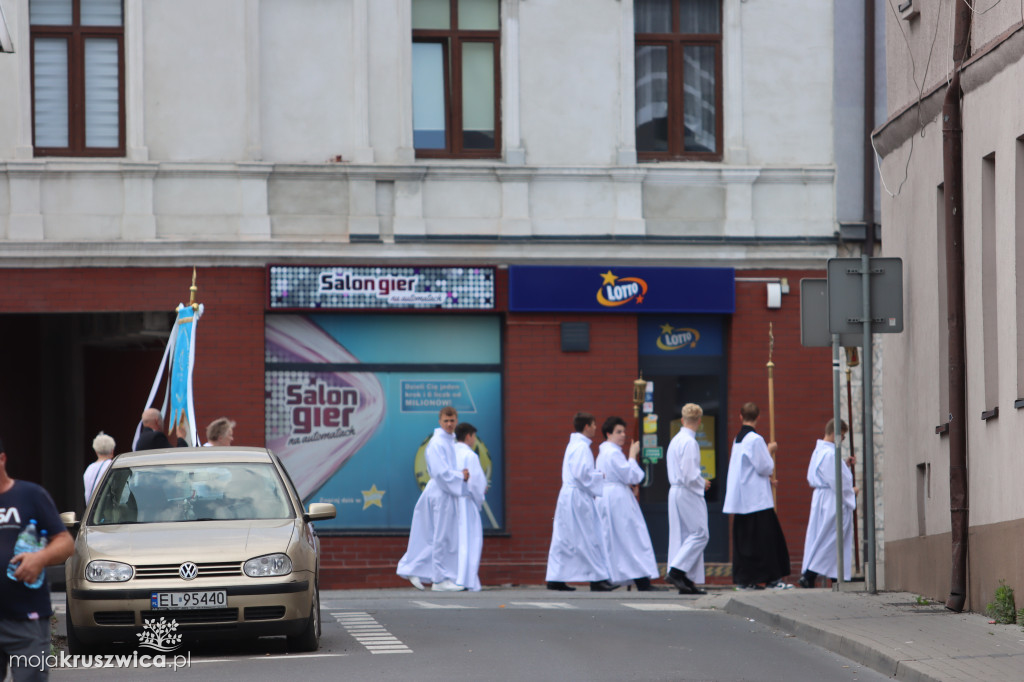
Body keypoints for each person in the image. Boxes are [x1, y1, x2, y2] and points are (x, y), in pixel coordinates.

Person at [0, 436, 75, 681]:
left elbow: (66, 543)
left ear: (2, 459)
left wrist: (39, 558)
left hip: (27, 618)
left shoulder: (30, 495)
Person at [397, 406, 470, 592]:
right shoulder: (437, 443)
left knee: (438, 535)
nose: (449, 424)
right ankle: (440, 579)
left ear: (456, 420)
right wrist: (460, 476)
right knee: (442, 536)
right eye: (446, 420)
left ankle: (416, 569)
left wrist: (458, 477)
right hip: (441, 492)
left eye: (452, 420)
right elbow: (440, 472)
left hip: (445, 491)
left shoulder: (449, 440)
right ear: (439, 421)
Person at [722, 402, 793, 590]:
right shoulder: (755, 439)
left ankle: (746, 579)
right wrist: (770, 451)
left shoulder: (738, 439)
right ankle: (772, 579)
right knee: (767, 540)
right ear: (758, 417)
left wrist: (767, 480)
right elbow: (765, 466)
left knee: (746, 544)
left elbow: (744, 470)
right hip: (757, 501)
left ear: (740, 416)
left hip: (744, 499)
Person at [545, 412, 616, 592]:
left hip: (569, 496)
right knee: (588, 536)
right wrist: (599, 476)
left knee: (563, 538)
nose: (595, 428)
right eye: (593, 425)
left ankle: (556, 577)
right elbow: (581, 474)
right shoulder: (582, 447)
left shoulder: (574, 445)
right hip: (577, 497)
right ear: (586, 426)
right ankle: (597, 578)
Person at [595, 416, 663, 591]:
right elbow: (631, 475)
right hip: (618, 499)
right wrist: (632, 456)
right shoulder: (613, 452)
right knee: (632, 537)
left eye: (624, 431)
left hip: (610, 496)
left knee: (618, 539)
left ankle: (626, 578)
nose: (623, 435)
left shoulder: (605, 452)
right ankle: (641, 580)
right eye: (618, 432)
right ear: (608, 434)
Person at [799, 419, 856, 588]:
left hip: (823, 497)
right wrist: (852, 492)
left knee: (823, 536)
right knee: (833, 537)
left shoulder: (819, 451)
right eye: (843, 437)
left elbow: (829, 473)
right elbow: (839, 481)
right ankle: (810, 574)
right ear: (835, 434)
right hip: (833, 499)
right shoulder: (830, 454)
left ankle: (832, 576)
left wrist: (844, 464)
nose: (842, 440)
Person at [664, 403, 710, 595]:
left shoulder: (676, 440)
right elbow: (690, 474)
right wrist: (703, 483)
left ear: (683, 420)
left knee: (682, 535)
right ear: (698, 421)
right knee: (700, 533)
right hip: (687, 490)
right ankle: (677, 571)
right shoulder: (690, 442)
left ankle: (685, 578)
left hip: (675, 490)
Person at [453, 422, 487, 592]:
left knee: (454, 541)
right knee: (470, 540)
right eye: (473, 436)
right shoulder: (470, 456)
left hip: (451, 502)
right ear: (468, 436)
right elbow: (476, 483)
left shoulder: (449, 452)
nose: (474, 440)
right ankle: (467, 579)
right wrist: (481, 494)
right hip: (466, 502)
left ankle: (452, 578)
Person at [83, 432, 115, 506]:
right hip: (107, 510)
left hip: (93, 512)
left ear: (96, 451)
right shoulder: (112, 465)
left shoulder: (89, 468)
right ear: (112, 450)